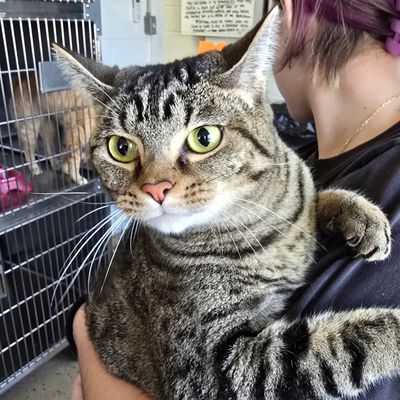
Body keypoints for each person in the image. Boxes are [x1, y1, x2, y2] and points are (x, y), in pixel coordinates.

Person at [71, 0, 400, 398]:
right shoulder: (310, 155)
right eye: (123, 149)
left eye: (202, 138)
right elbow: (211, 383)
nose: (155, 186)